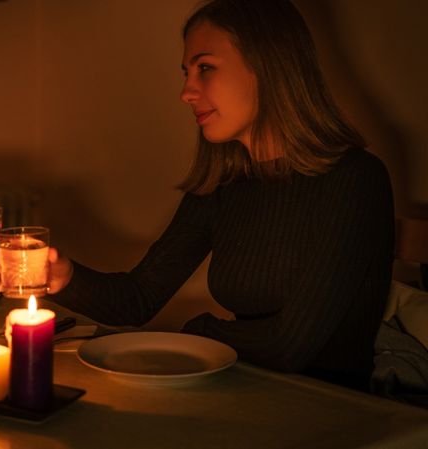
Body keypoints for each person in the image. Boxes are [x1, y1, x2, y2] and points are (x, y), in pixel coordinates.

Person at [45, 0, 394, 390]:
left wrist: (202, 331)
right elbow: (137, 299)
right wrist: (61, 276)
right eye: (187, 73)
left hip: (334, 411)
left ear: (268, 67)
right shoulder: (224, 185)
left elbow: (291, 347)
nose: (186, 92)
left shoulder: (355, 179)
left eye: (205, 68)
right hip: (245, 391)